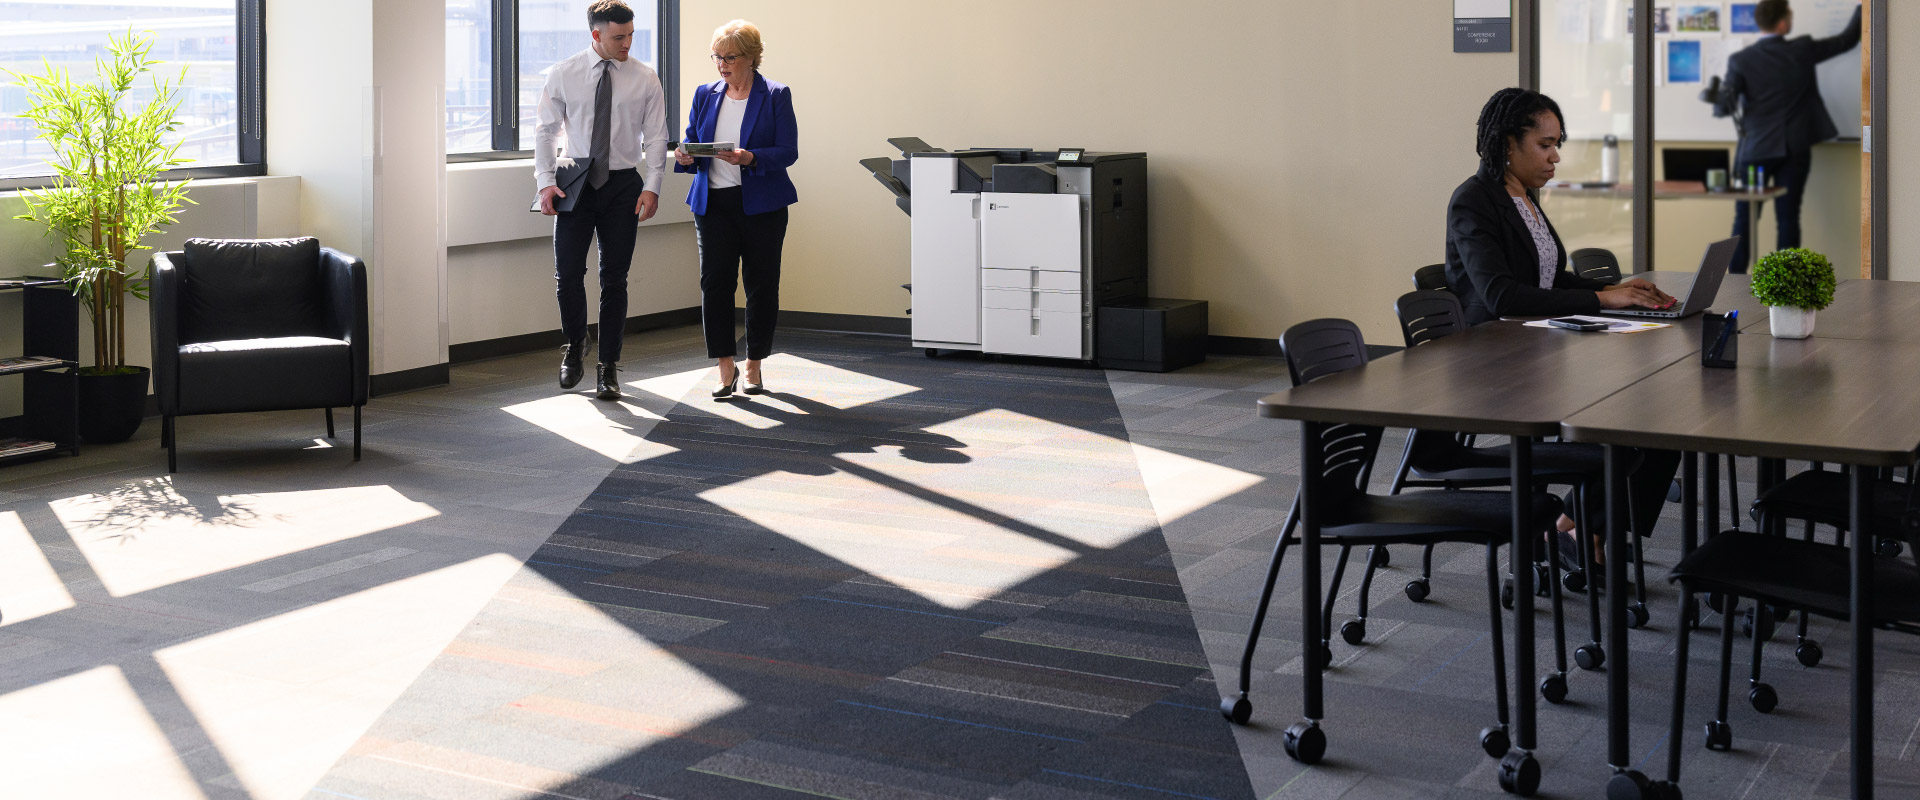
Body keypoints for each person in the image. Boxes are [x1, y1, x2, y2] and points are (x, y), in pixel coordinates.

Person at [1446, 87, 1681, 567]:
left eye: (1558, 144)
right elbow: (1502, 297)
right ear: (1508, 143)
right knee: (1631, 416)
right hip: (1497, 363)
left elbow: (1547, 278)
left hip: (1542, 349)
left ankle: (1576, 528)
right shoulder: (1474, 200)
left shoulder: (1525, 197)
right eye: (1545, 144)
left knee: (1665, 417)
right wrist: (1601, 299)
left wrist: (1616, 289)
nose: (1555, 157)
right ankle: (1579, 531)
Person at [533, 0, 668, 401]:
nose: (627, 43)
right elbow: (546, 132)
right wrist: (545, 182)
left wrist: (653, 186)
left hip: (623, 184)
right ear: (596, 34)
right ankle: (575, 344)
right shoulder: (564, 73)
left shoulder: (645, 78)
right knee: (568, 274)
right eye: (619, 37)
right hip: (574, 180)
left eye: (631, 35)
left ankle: (608, 365)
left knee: (614, 278)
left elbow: (656, 137)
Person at [673, 19, 798, 399]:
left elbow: (788, 152)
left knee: (761, 285)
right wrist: (685, 155)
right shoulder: (705, 94)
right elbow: (691, 141)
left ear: (751, 57)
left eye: (730, 57)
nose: (721, 65)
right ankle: (725, 366)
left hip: (762, 206)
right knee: (715, 284)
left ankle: (754, 364)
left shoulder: (775, 94)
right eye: (716, 57)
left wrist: (750, 157)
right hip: (712, 205)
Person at [1714, 0, 1861, 272]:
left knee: (1744, 220)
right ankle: (1786, 285)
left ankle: (1733, 281)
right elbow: (1847, 40)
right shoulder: (1802, 50)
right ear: (1782, 23)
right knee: (1789, 218)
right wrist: (1865, 6)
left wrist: (1718, 97)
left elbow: (1722, 108)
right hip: (1794, 151)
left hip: (1754, 153)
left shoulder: (1740, 60)